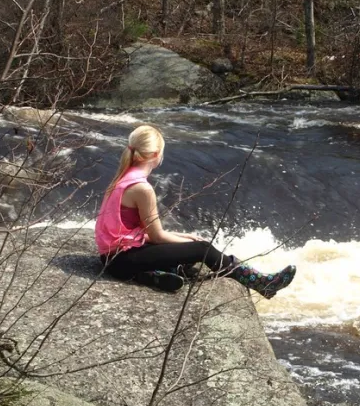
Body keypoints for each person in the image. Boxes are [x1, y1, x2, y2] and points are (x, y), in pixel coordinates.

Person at [95, 124, 296, 298]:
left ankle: (151, 274)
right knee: (203, 250)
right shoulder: (142, 188)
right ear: (157, 155)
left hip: (112, 259)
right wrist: (196, 243)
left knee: (189, 251)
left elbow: (137, 233)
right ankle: (259, 282)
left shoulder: (123, 178)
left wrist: (183, 236)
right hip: (122, 261)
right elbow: (156, 236)